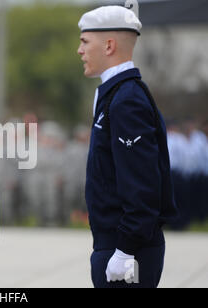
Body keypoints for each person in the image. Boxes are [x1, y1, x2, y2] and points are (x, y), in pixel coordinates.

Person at [77, 5, 178, 288]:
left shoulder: (126, 100)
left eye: (85, 42)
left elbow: (141, 183)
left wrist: (125, 249)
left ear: (109, 45)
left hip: (127, 249)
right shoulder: (117, 95)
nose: (79, 50)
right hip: (117, 244)